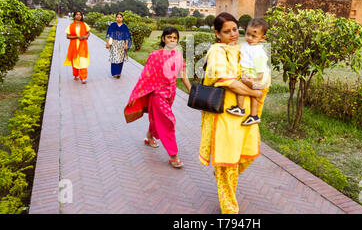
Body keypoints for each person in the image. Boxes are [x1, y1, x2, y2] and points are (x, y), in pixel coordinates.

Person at [199, 12, 267, 214]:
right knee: (227, 159)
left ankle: (222, 176)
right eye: (226, 31)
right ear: (217, 33)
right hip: (225, 113)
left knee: (244, 156)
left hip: (244, 114)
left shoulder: (245, 49)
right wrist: (254, 91)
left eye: (235, 30)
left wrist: (258, 87)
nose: (232, 34)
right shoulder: (216, 51)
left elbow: (258, 74)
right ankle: (230, 210)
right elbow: (226, 80)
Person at [124, 27, 191, 169]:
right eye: (169, 37)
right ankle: (173, 156)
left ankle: (149, 136)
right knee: (168, 121)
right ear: (163, 39)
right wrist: (139, 92)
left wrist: (191, 91)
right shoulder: (155, 55)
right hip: (158, 94)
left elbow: (183, 75)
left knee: (158, 118)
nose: (172, 40)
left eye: (175, 38)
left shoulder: (178, 56)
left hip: (170, 94)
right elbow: (146, 76)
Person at [226, 18, 270, 126]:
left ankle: (241, 108)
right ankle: (254, 116)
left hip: (256, 76)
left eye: (253, 36)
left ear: (262, 38)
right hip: (250, 74)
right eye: (247, 34)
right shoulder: (248, 45)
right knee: (253, 96)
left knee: (240, 85)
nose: (249, 38)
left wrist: (255, 79)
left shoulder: (258, 51)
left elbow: (261, 69)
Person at [64, 11, 90, 84]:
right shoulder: (71, 26)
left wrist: (85, 36)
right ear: (74, 16)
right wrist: (76, 37)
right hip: (74, 45)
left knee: (82, 61)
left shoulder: (84, 25)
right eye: (77, 15)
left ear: (82, 16)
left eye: (80, 15)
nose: (78, 16)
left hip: (83, 45)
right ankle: (76, 74)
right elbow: (67, 36)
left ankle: (83, 77)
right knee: (75, 61)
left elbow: (88, 33)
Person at [106, 12, 132, 78]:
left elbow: (126, 36)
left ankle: (119, 73)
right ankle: (114, 73)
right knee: (114, 57)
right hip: (114, 43)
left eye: (120, 17)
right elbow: (108, 34)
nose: (119, 18)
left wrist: (126, 44)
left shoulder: (124, 26)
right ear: (116, 18)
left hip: (122, 44)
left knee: (120, 58)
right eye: (118, 17)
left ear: (122, 18)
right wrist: (107, 43)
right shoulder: (112, 25)